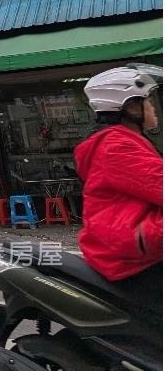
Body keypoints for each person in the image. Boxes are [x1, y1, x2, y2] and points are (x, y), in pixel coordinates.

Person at [75, 66, 162, 315]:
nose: (153, 107)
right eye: (147, 101)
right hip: (130, 256)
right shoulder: (116, 146)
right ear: (131, 107)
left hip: (136, 247)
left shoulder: (124, 140)